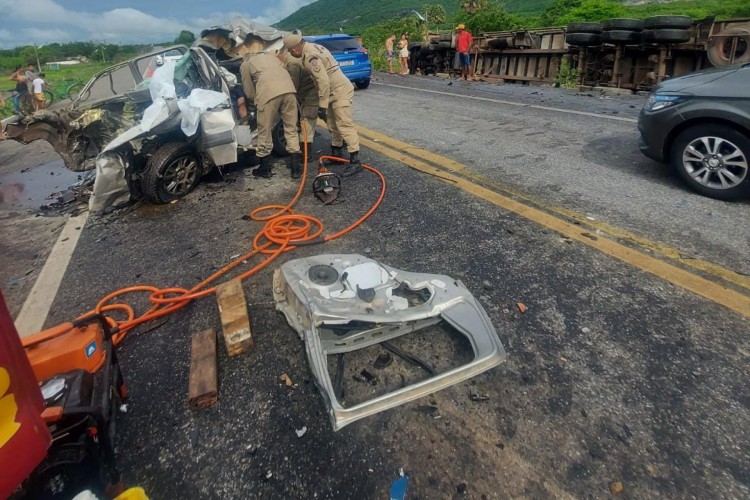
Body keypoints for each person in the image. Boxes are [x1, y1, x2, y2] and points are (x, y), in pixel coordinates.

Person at [284, 34, 362, 170]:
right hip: (333, 91)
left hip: (339, 91)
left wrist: (322, 105)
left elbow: (323, 81)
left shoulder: (309, 57)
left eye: (290, 51)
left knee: (344, 124)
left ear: (295, 49)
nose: (291, 54)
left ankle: (355, 160)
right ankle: (336, 153)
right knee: (332, 123)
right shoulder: (314, 46)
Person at [240, 35, 302, 179]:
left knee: (264, 130)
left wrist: (254, 102)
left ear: (246, 48)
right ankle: (295, 168)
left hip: (268, 94)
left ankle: (265, 168)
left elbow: (249, 92)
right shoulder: (272, 58)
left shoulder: (246, 63)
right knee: (291, 128)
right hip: (289, 91)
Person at [283, 51, 319, 163]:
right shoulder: (295, 60)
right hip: (308, 93)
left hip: (311, 95)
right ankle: (340, 142)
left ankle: (306, 155)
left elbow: (293, 87)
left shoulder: (293, 65)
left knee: (307, 123)